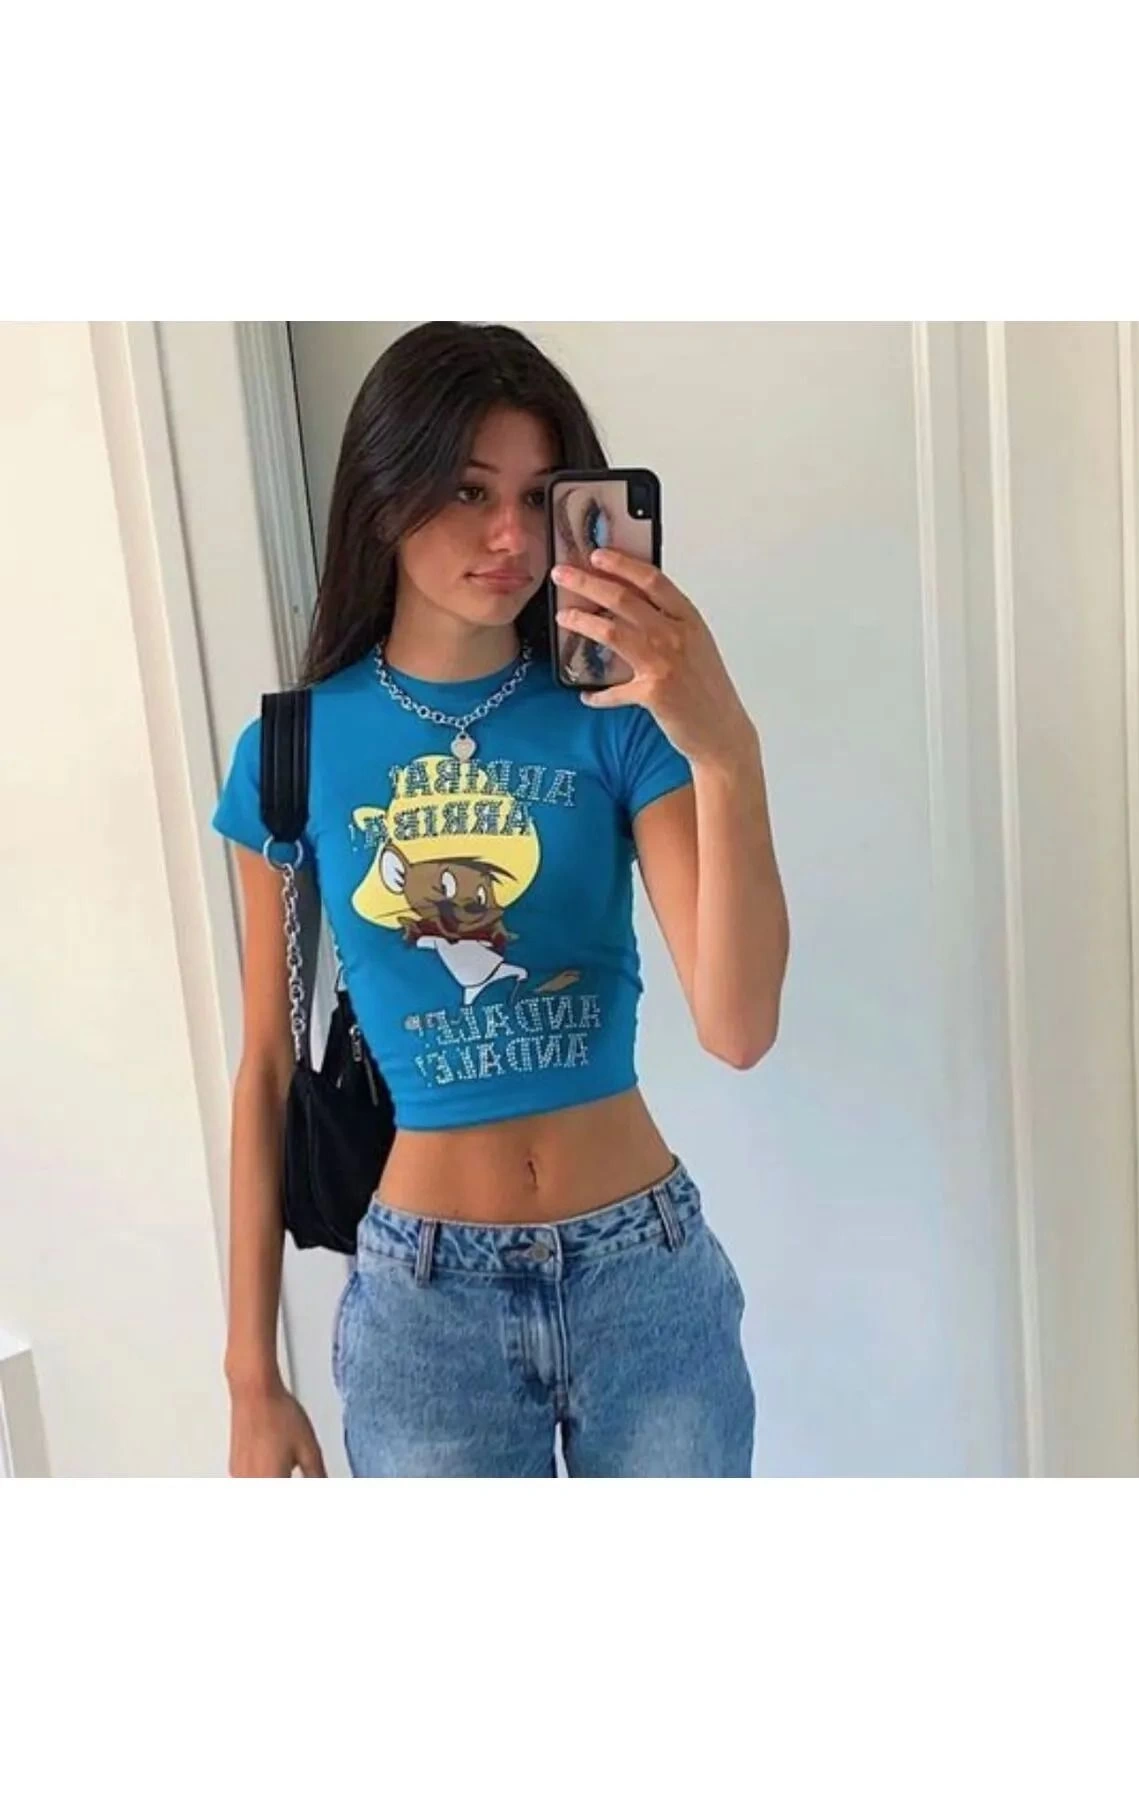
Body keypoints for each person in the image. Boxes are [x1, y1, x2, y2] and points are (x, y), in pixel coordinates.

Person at [212, 321, 789, 1477]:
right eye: (470, 490)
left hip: (645, 1275)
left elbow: (737, 1027)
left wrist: (725, 748)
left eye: (539, 496)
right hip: (427, 1308)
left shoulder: (620, 721)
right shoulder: (292, 751)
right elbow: (267, 1065)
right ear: (387, 495)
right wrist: (250, 1379)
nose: (512, 536)